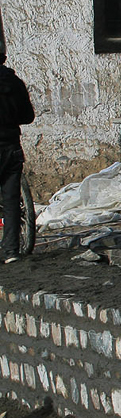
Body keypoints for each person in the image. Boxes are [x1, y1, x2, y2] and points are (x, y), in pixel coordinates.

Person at [0, 47, 35, 263]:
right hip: (11, 147)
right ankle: (11, 251)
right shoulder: (15, 83)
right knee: (12, 200)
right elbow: (28, 116)